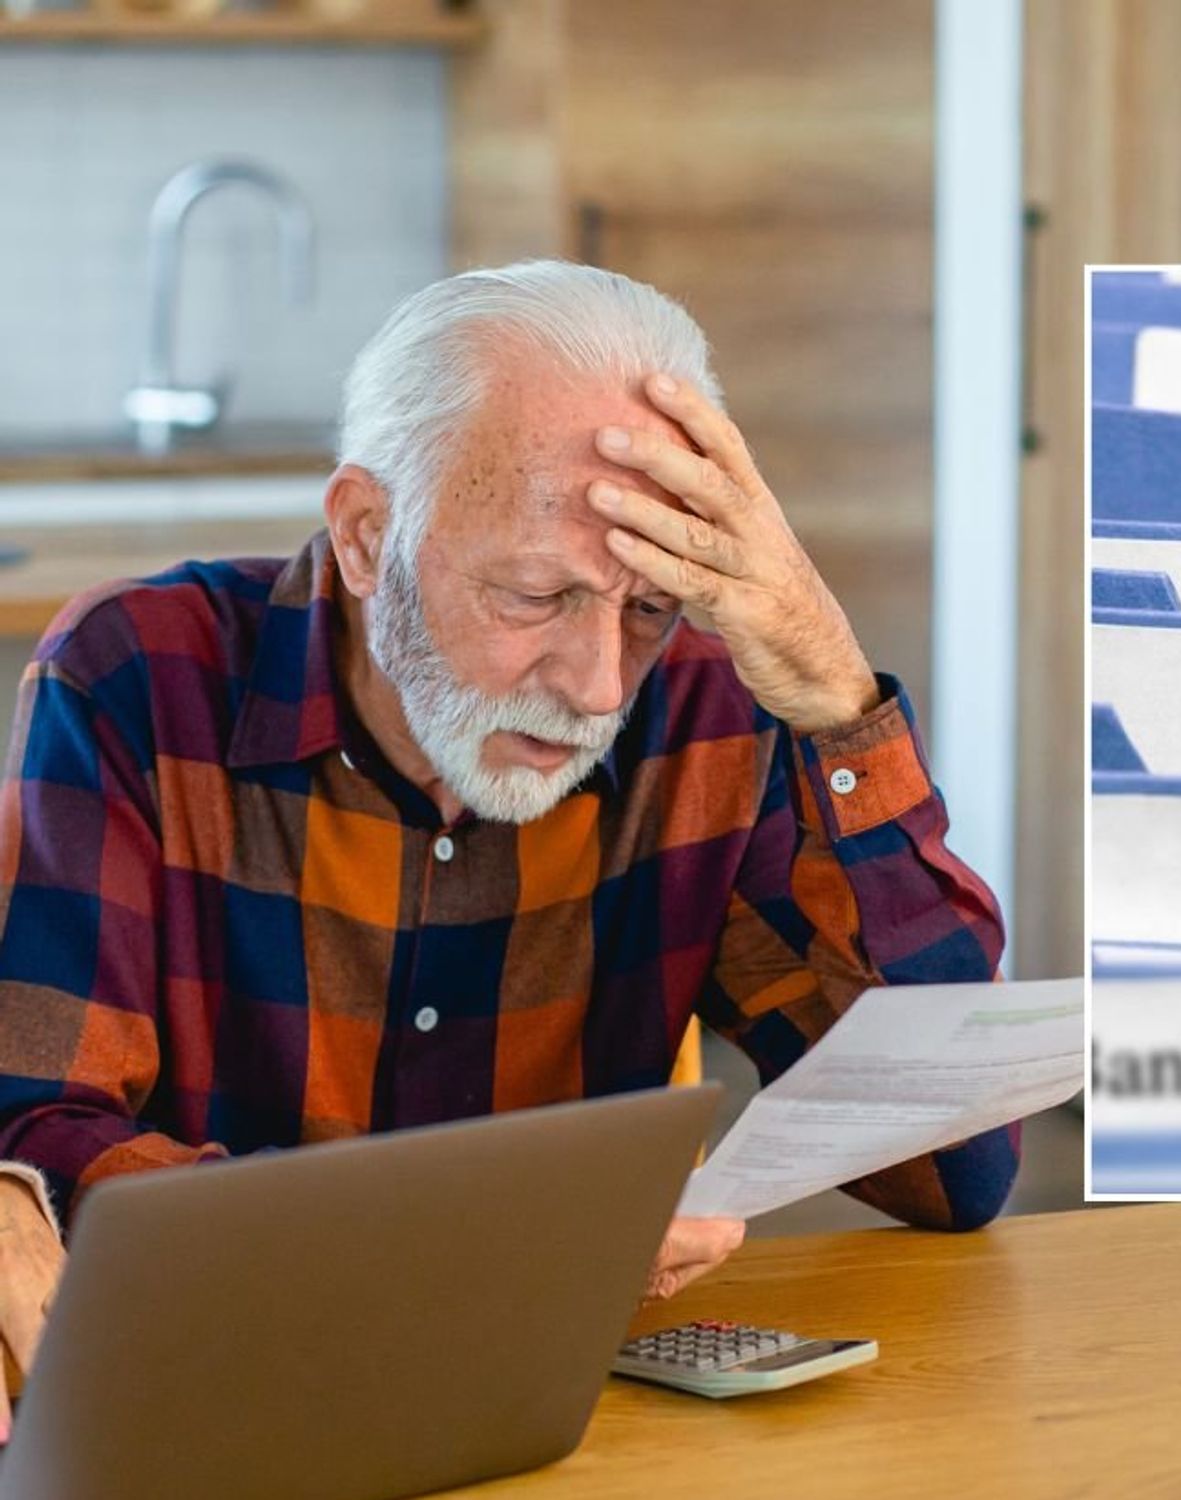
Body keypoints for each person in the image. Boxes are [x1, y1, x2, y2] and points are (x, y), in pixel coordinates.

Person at [0, 261, 1015, 1438]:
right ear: (368, 535)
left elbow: (955, 1171)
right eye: (536, 597)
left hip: (554, 1430)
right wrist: (447, 1251)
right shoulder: (137, 677)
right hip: (232, 1413)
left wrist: (839, 706)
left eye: (647, 608)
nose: (595, 688)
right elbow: (38, 1143)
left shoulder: (701, 706)